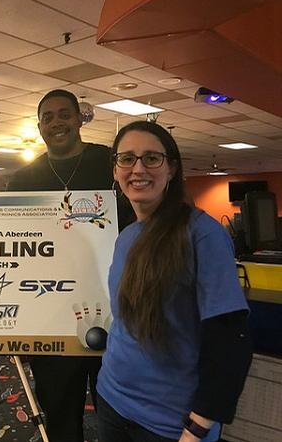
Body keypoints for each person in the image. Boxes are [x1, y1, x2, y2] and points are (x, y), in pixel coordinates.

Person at [97, 121, 252, 441]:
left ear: (171, 169)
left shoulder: (202, 234)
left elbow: (229, 343)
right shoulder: (126, 236)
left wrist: (197, 428)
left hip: (169, 424)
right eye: (127, 158)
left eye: (151, 158)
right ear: (115, 171)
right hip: (112, 401)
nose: (138, 168)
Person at [7, 89, 132, 442]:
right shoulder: (21, 182)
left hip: (116, 313)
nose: (57, 122)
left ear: (80, 118)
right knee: (61, 421)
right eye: (48, 117)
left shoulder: (111, 164)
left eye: (65, 114)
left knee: (118, 418)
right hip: (53, 319)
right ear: (39, 126)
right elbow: (17, 255)